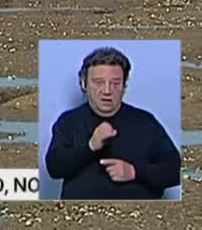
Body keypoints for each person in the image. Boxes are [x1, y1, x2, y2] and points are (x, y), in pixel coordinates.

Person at [45, 47, 181, 200]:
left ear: (124, 86)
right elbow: (54, 168)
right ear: (84, 83)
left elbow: (175, 170)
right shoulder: (68, 121)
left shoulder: (145, 122)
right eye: (98, 82)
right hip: (80, 217)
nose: (107, 90)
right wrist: (90, 147)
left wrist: (134, 172)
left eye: (115, 83)